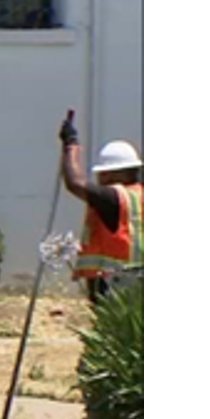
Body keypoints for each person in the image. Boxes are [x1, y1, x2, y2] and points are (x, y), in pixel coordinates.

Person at [58, 111, 142, 300]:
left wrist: (71, 145)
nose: (100, 179)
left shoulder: (114, 197)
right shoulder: (138, 195)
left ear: (111, 174)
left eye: (102, 174)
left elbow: (75, 183)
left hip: (120, 286)